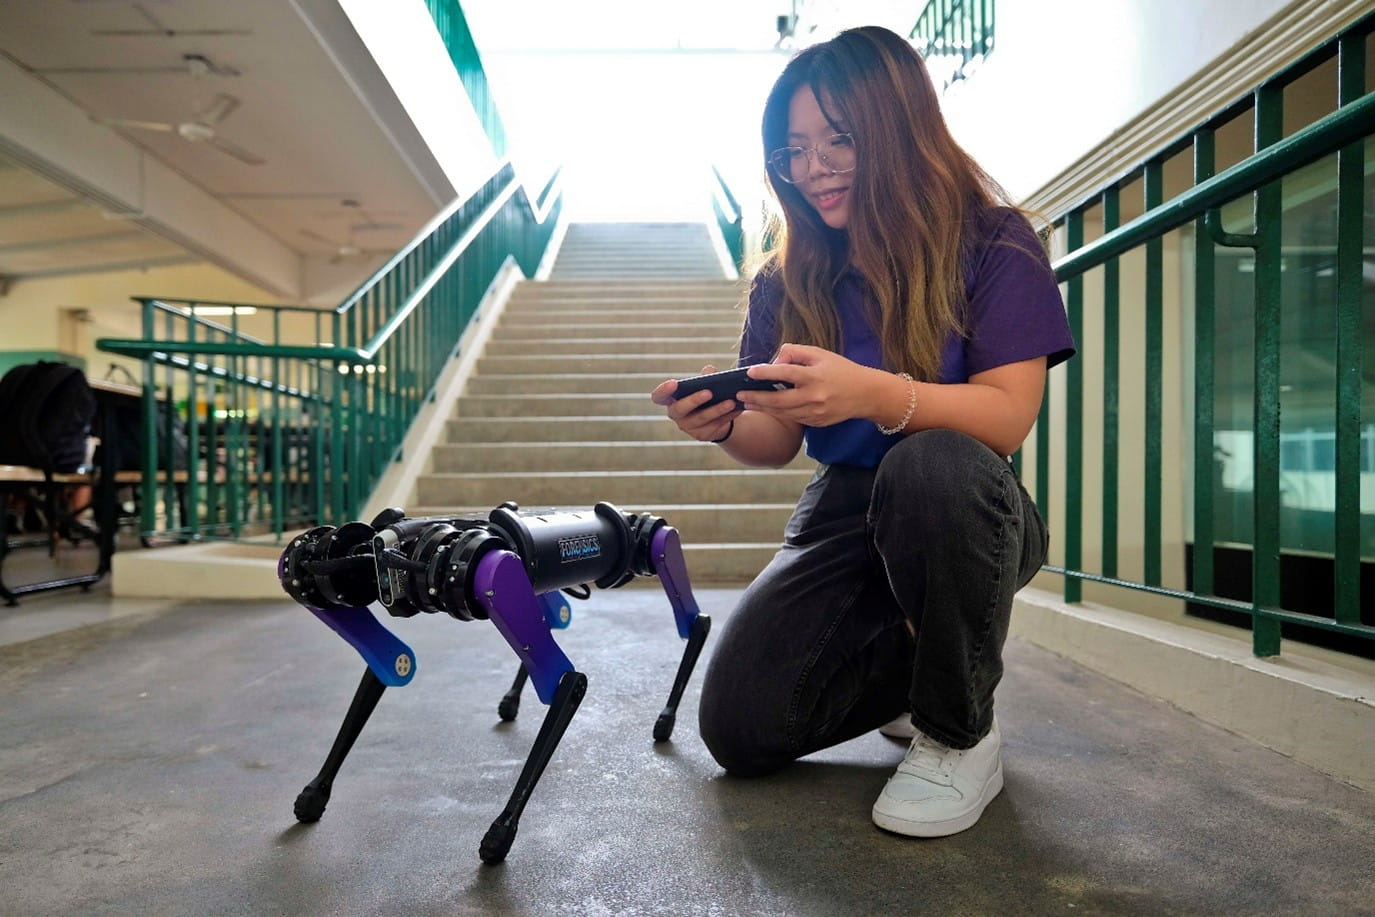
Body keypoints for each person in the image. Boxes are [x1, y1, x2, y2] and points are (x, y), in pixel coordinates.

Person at [651, 25, 1075, 838]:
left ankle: (958, 730)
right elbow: (774, 443)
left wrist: (875, 394)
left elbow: (1007, 415)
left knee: (930, 465)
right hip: (840, 510)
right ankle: (929, 671)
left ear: (897, 124)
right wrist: (722, 424)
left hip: (961, 502)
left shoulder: (993, 241)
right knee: (740, 730)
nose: (811, 169)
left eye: (836, 139)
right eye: (793, 151)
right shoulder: (789, 275)